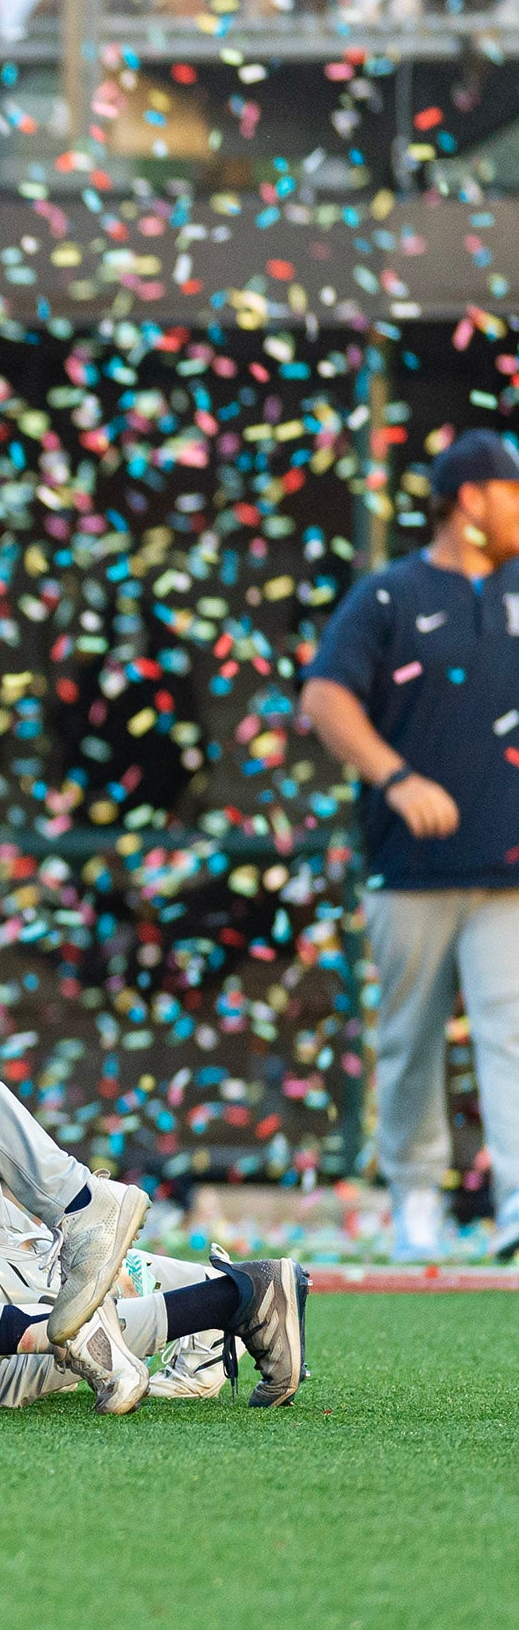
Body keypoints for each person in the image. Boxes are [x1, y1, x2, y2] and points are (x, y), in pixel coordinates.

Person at [301, 429, 519, 1263]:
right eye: (512, 492)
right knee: (409, 1039)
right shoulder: (388, 595)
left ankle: (515, 1207)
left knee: (512, 1035)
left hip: (508, 872)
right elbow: (324, 698)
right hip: (410, 870)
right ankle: (416, 1207)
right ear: (472, 500)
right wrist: (396, 778)